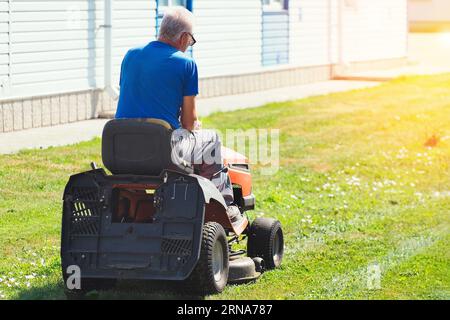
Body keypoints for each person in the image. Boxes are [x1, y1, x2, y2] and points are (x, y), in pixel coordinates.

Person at [115, 7, 241, 222]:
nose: (189, 45)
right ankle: (225, 204)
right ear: (183, 37)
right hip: (161, 153)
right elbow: (189, 123)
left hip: (119, 149)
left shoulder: (131, 55)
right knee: (211, 140)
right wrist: (194, 126)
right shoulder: (186, 64)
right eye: (191, 40)